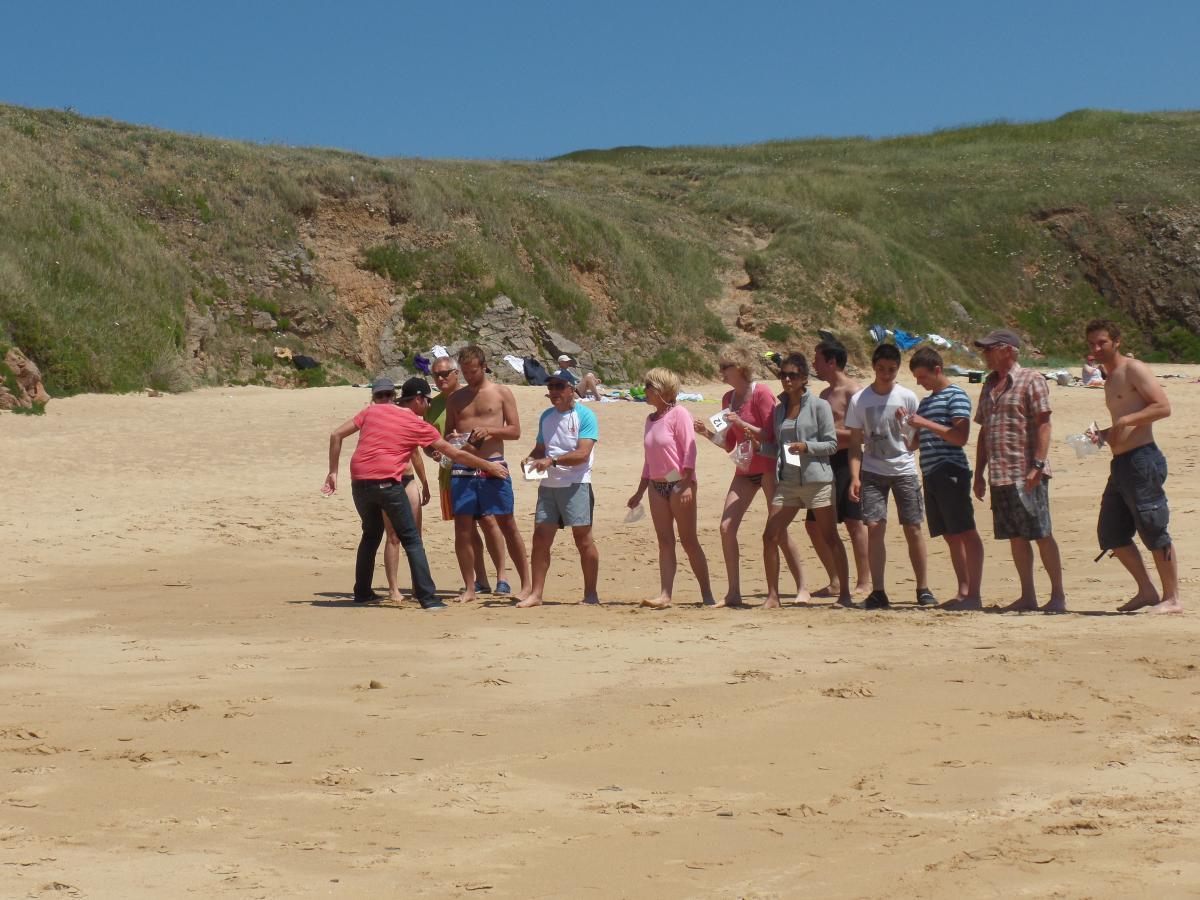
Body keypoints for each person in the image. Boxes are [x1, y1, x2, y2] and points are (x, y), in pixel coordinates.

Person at [323, 376, 508, 609]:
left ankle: (362, 592)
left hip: (359, 482)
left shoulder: (372, 410)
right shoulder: (416, 424)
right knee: (411, 538)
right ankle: (428, 598)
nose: (429, 406)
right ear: (418, 399)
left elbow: (336, 434)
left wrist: (333, 472)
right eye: (428, 401)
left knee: (370, 535)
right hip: (387, 482)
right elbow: (455, 454)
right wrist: (488, 466)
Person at [692, 344, 805, 607]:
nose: (721, 372)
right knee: (726, 527)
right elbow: (729, 443)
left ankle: (802, 587)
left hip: (767, 466)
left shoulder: (761, 393)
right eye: (721, 367)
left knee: (778, 530)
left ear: (740, 368)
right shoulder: (727, 399)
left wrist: (742, 424)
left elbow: (771, 435)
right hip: (743, 469)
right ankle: (733, 592)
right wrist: (707, 433)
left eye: (725, 367)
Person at [1085, 319, 1180, 614]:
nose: (1096, 348)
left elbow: (1162, 407)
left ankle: (1172, 598)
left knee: (1153, 528)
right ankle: (1147, 590)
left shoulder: (1133, 369)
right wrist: (1102, 435)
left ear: (1117, 342)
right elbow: (1122, 422)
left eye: (1102, 342)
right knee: (1111, 532)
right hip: (1121, 463)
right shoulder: (1109, 378)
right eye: (1092, 344)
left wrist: (1127, 420)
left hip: (1142, 459)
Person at [971, 329, 1066, 613]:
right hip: (1000, 473)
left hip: (1026, 472)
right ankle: (1028, 596)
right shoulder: (989, 384)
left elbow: (1044, 424)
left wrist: (1037, 465)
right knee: (1015, 535)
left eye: (989, 349)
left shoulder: (1031, 379)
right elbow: (984, 431)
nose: (985, 354)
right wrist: (978, 473)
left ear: (1008, 350)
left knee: (1041, 533)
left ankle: (1058, 595)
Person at [847, 343, 936, 610]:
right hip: (872, 470)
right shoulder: (859, 400)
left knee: (913, 527)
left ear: (898, 369)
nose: (886, 374)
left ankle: (923, 587)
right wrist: (855, 477)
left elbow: (915, 441)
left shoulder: (907, 397)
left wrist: (906, 425)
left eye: (891, 370)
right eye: (881, 369)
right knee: (874, 527)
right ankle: (878, 591)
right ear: (874, 367)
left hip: (904, 469)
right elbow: (854, 444)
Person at [759, 352, 848, 608]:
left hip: (817, 481)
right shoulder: (779, 409)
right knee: (770, 535)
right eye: (783, 375)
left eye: (793, 375)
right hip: (788, 481)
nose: (787, 379)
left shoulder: (819, 406)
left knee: (830, 537)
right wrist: (758, 448)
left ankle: (844, 594)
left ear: (804, 378)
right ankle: (773, 596)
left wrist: (806, 446)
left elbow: (831, 444)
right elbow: (780, 449)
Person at [445, 345, 531, 603]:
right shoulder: (455, 399)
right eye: (465, 372)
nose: (469, 376)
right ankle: (470, 588)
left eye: (473, 371)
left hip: (494, 464)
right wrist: (454, 438)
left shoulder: (501, 393)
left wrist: (490, 430)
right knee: (462, 528)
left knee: (507, 524)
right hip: (463, 468)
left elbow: (515, 431)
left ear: (484, 366)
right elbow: (447, 436)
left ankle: (526, 584)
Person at [626, 367, 715, 608]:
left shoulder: (679, 414)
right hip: (656, 486)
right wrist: (640, 491)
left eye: (648, 386)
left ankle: (707, 594)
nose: (644, 390)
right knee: (665, 542)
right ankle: (665, 594)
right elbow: (649, 459)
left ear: (661, 390)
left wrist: (686, 483)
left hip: (679, 483)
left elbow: (689, 449)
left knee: (689, 541)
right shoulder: (650, 420)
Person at [905, 348, 986, 610]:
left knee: (966, 531)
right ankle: (963, 590)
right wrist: (907, 425)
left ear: (937, 370)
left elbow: (960, 437)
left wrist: (924, 423)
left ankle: (973, 593)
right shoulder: (926, 403)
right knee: (950, 534)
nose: (920, 382)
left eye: (923, 376)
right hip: (931, 472)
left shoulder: (956, 395)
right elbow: (914, 445)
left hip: (950, 469)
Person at [425, 355, 509, 594]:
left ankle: (502, 577)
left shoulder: (471, 395)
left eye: (445, 374)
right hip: (450, 472)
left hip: (483, 467)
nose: (440, 379)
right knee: (467, 528)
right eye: (436, 375)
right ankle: (480, 580)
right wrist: (434, 451)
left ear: (456, 373)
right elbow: (428, 440)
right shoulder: (433, 406)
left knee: (489, 521)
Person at [517, 373, 601, 608]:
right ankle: (536, 594)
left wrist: (552, 461)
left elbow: (583, 453)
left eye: (559, 386)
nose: (553, 391)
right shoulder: (546, 416)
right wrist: (530, 459)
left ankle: (591, 594)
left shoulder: (585, 415)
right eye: (550, 386)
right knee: (540, 538)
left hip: (576, 483)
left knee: (583, 539)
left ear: (571, 388)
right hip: (548, 485)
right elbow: (540, 448)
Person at [808, 340, 871, 597]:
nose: (814, 364)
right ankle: (835, 579)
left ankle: (864, 581)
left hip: (848, 461)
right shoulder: (823, 395)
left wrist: (829, 434)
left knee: (854, 522)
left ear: (832, 362)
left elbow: (863, 434)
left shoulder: (853, 392)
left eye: (817, 359)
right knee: (814, 525)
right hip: (823, 463)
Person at [377, 378, 433, 603]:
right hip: (391, 481)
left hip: (408, 480)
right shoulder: (389, 418)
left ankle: (417, 587)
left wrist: (424, 482)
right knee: (393, 536)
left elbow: (415, 453)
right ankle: (393, 588)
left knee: (415, 536)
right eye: (427, 400)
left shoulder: (409, 419)